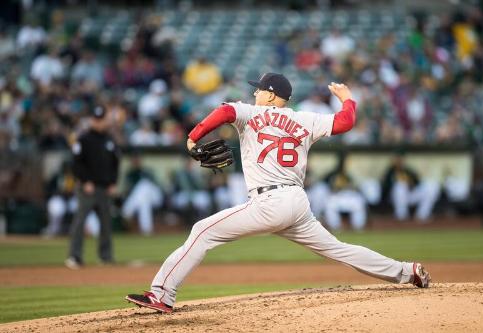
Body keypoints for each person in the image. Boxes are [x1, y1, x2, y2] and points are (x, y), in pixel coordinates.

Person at [126, 73, 431, 313]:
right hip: (297, 203)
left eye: (259, 89)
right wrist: (348, 98)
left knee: (202, 230)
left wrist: (192, 138)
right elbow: (345, 121)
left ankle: (162, 294)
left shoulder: (249, 112)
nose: (254, 93)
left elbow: (225, 111)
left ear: (271, 94)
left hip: (269, 202)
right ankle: (408, 272)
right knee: (339, 249)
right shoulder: (306, 118)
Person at [65, 106, 120, 269]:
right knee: (80, 221)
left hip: (104, 187)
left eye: (101, 119)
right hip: (87, 188)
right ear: (91, 120)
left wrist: (113, 182)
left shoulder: (109, 140)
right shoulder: (83, 139)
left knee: (106, 223)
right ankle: (74, 256)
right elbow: (75, 164)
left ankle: (106, 256)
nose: (98, 122)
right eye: (96, 119)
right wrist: (85, 180)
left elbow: (116, 162)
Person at [382, 152, 440, 221]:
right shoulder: (390, 171)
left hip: (409, 194)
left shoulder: (408, 170)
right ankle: (401, 216)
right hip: (394, 198)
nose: (398, 161)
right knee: (400, 186)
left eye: (400, 159)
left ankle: (422, 215)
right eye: (396, 159)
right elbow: (385, 187)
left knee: (432, 185)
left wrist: (410, 183)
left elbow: (417, 183)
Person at [121, 155, 163, 235]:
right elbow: (127, 190)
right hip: (142, 199)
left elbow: (158, 185)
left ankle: (127, 211)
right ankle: (146, 230)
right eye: (134, 160)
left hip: (155, 197)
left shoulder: (147, 171)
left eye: (137, 159)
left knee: (144, 184)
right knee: (144, 202)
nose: (136, 161)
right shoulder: (130, 174)